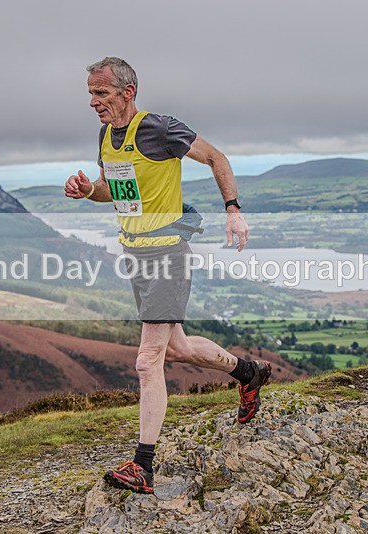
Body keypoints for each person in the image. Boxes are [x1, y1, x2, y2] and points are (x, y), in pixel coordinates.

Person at [64, 57, 271, 494]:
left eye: (101, 93)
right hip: (135, 254)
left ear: (128, 92)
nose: (93, 102)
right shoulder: (106, 136)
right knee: (177, 348)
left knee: (147, 360)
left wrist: (233, 210)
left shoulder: (159, 129)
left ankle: (143, 465)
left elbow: (215, 157)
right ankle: (248, 373)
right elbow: (114, 191)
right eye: (90, 94)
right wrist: (88, 190)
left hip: (167, 254)